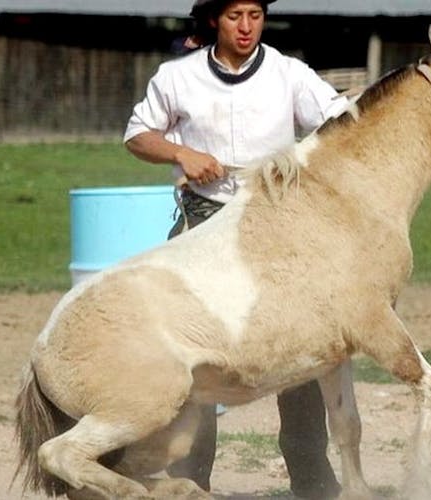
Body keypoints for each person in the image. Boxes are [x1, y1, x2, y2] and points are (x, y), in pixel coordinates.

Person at [123, 1, 348, 497]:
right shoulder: (176, 76)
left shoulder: (290, 75)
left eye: (254, 14)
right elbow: (136, 135)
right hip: (204, 219)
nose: (246, 27)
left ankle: (311, 476)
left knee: (300, 341)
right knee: (192, 347)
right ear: (212, 21)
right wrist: (182, 152)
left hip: (278, 222)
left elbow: (340, 120)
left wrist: (301, 160)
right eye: (234, 16)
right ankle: (189, 478)